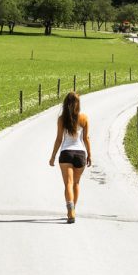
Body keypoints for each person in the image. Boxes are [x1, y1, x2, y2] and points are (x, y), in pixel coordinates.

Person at [49, 90, 92, 223]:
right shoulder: (84, 118)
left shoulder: (62, 119)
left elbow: (58, 139)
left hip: (66, 154)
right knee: (76, 183)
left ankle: (70, 209)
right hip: (80, 154)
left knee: (68, 183)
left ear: (65, 103)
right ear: (78, 104)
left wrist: (53, 156)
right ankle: (73, 210)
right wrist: (89, 154)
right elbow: (86, 138)